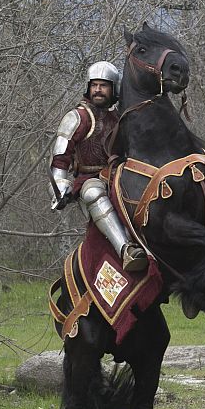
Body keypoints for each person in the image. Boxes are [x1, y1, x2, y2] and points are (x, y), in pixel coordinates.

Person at [49, 61, 147, 272]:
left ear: (114, 89)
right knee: (94, 192)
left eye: (104, 85)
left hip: (119, 179)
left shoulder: (120, 119)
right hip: (88, 181)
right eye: (94, 85)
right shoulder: (77, 117)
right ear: (88, 87)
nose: (98, 90)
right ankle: (127, 251)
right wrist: (59, 187)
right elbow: (59, 160)